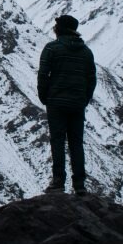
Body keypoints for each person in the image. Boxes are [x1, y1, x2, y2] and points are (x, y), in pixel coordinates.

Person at [37, 14, 97, 196]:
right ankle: (79, 184)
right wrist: (84, 99)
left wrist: (44, 96)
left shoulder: (51, 48)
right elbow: (91, 79)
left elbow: (43, 75)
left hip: (56, 102)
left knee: (57, 141)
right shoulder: (86, 52)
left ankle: (58, 182)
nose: (54, 28)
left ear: (60, 29)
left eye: (56, 25)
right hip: (77, 103)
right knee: (76, 143)